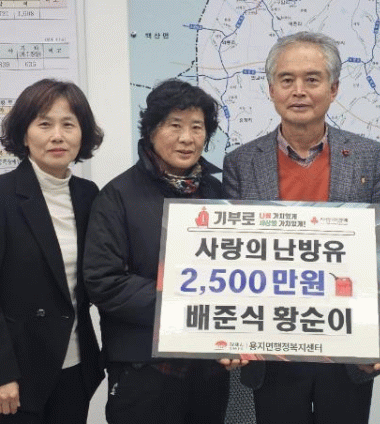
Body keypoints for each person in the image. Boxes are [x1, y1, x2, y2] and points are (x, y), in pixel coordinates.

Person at [222, 31, 380, 424]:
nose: (299, 91)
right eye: (287, 79)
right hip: (271, 348)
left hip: (347, 344)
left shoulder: (369, 157)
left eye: (312, 79)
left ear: (333, 89)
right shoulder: (241, 162)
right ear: (271, 90)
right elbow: (231, 255)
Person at [0, 79, 105, 423]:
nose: (57, 136)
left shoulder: (88, 195)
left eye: (68, 124)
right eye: (44, 124)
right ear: (24, 134)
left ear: (82, 134)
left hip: (74, 366)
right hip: (14, 371)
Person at [82, 79, 231, 424]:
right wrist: (182, 301)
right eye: (174, 125)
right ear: (151, 131)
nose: (187, 138)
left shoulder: (218, 193)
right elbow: (104, 282)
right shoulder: (117, 196)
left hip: (208, 368)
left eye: (197, 127)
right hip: (144, 369)